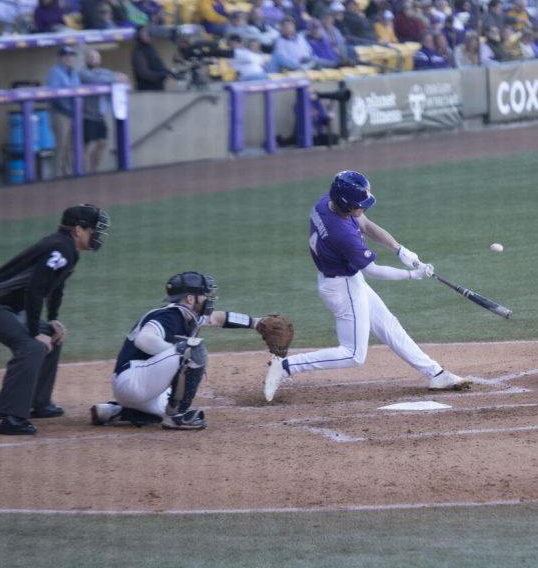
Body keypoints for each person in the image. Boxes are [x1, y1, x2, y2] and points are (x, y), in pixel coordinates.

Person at [263, 171, 470, 402]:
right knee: (353, 354)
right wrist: (412, 275)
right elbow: (373, 270)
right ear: (345, 204)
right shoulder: (341, 234)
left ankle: (436, 374)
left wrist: (399, 249)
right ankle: (287, 366)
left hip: (344, 281)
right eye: (359, 205)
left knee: (389, 326)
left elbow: (365, 224)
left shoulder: (327, 203)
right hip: (343, 288)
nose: (364, 208)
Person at [0, 204, 109, 436]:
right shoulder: (60, 248)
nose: (96, 235)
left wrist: (52, 320)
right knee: (32, 346)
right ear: (78, 229)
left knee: (52, 337)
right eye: (93, 230)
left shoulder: (66, 248)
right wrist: (35, 331)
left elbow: (56, 288)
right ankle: (5, 417)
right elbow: (35, 290)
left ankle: (39, 403)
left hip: (5, 306)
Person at [92, 272, 270, 430]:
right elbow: (144, 339)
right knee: (192, 349)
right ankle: (176, 417)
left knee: (162, 409)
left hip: (137, 390)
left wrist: (256, 322)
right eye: (203, 294)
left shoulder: (187, 316)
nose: (207, 298)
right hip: (133, 381)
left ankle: (115, 411)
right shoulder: (170, 316)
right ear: (190, 299)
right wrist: (180, 356)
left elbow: (218, 318)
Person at [78, 49, 125, 172]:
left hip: (100, 116)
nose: (94, 59)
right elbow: (95, 80)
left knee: (102, 143)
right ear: (86, 59)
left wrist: (115, 77)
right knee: (87, 146)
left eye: (96, 57)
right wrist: (114, 78)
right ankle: (85, 172)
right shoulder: (83, 72)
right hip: (87, 115)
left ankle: (93, 170)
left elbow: (114, 75)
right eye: (91, 57)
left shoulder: (102, 71)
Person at [45, 47, 81, 175]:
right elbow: (54, 96)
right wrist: (67, 111)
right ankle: (57, 175)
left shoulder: (73, 72)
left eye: (71, 55)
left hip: (72, 113)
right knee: (61, 145)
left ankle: (69, 173)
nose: (69, 58)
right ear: (59, 57)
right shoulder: (54, 72)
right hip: (59, 113)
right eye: (66, 56)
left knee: (70, 147)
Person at [132, 26, 172, 90]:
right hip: (147, 90)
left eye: (148, 33)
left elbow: (158, 63)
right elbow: (144, 73)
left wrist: (167, 72)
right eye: (144, 34)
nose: (147, 35)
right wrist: (161, 75)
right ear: (139, 36)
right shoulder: (138, 51)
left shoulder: (150, 48)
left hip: (157, 87)